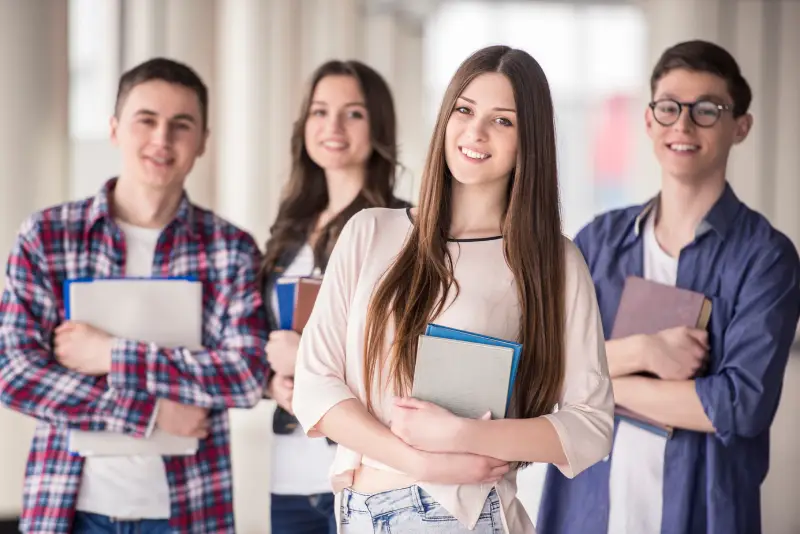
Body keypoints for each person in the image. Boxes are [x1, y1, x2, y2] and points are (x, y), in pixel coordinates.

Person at [291, 45, 614, 533]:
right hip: (359, 511)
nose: (475, 132)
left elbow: (591, 425)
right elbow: (314, 385)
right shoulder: (370, 231)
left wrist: (467, 434)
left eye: (502, 121)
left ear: (530, 141)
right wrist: (419, 461)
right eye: (464, 110)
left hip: (461, 516)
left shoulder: (553, 260)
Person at [536, 40, 800, 534]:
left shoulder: (766, 257)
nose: (682, 125)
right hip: (586, 509)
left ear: (740, 126)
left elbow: (739, 406)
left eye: (706, 110)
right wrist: (643, 351)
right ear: (649, 121)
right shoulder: (598, 242)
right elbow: (545, 366)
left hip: (704, 512)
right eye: (669, 107)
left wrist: (601, 387)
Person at [0, 58, 269, 534]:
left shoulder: (231, 249)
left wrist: (109, 353)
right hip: (67, 509)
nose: (162, 139)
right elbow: (14, 372)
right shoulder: (46, 236)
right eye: (146, 120)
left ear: (202, 140)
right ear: (114, 129)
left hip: (188, 512)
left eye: (180, 125)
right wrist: (151, 412)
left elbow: (244, 376)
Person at [260, 59, 410, 534]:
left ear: (378, 126)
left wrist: (303, 358)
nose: (333, 127)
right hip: (288, 472)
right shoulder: (289, 231)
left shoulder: (401, 229)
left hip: (362, 471)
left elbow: (401, 354)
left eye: (353, 114)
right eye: (320, 112)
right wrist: (274, 383)